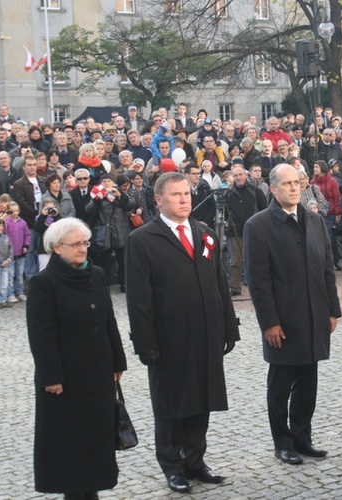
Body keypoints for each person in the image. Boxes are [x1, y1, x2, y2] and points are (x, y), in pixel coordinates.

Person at [125, 171, 239, 494]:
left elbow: (220, 285)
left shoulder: (203, 233)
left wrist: (229, 327)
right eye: (175, 195)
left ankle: (196, 460)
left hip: (205, 334)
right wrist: (145, 343)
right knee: (171, 405)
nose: (184, 200)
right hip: (168, 340)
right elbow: (139, 299)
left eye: (186, 194)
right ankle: (172, 465)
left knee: (202, 399)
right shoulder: (143, 240)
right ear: (158, 200)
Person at [244, 164, 341, 466]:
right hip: (283, 321)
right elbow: (258, 281)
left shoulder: (315, 221)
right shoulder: (257, 226)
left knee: (308, 383)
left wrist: (333, 310)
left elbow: (327, 268)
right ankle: (282, 442)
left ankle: (302, 437)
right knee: (281, 385)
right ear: (272, 188)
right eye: (286, 183)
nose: (294, 188)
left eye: (297, 182)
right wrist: (269, 322)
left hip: (314, 316)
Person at [27, 218, 127, 498]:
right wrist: (51, 376)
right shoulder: (43, 283)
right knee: (70, 442)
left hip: (97, 374)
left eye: (85, 243)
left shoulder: (95, 274)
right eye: (75, 244)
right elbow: (41, 335)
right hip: (66, 380)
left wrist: (117, 361)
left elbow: (109, 320)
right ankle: (75, 492)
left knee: (96, 438)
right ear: (57, 248)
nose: (83, 249)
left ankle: (92, 489)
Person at [225, 165, 267, 296]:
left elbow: (264, 210)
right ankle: (235, 287)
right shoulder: (228, 193)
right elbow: (226, 212)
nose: (238, 178)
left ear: (246, 175)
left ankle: (258, 286)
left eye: (240, 174)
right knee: (234, 262)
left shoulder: (256, 191)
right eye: (235, 175)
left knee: (256, 260)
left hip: (253, 231)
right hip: (235, 232)